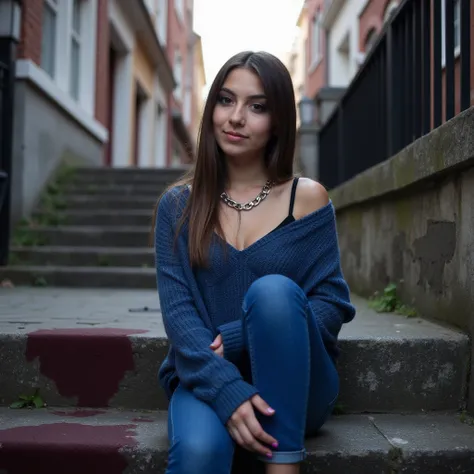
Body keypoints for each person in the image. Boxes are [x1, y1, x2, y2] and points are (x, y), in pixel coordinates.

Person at [154, 51, 355, 474]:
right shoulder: (178, 206)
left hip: (300, 379)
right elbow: (179, 316)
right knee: (199, 452)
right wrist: (227, 391)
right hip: (207, 375)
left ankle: (284, 466)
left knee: (274, 292)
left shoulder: (307, 198)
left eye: (257, 106)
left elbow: (330, 303)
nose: (236, 117)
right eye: (226, 101)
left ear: (279, 119)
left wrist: (244, 334)